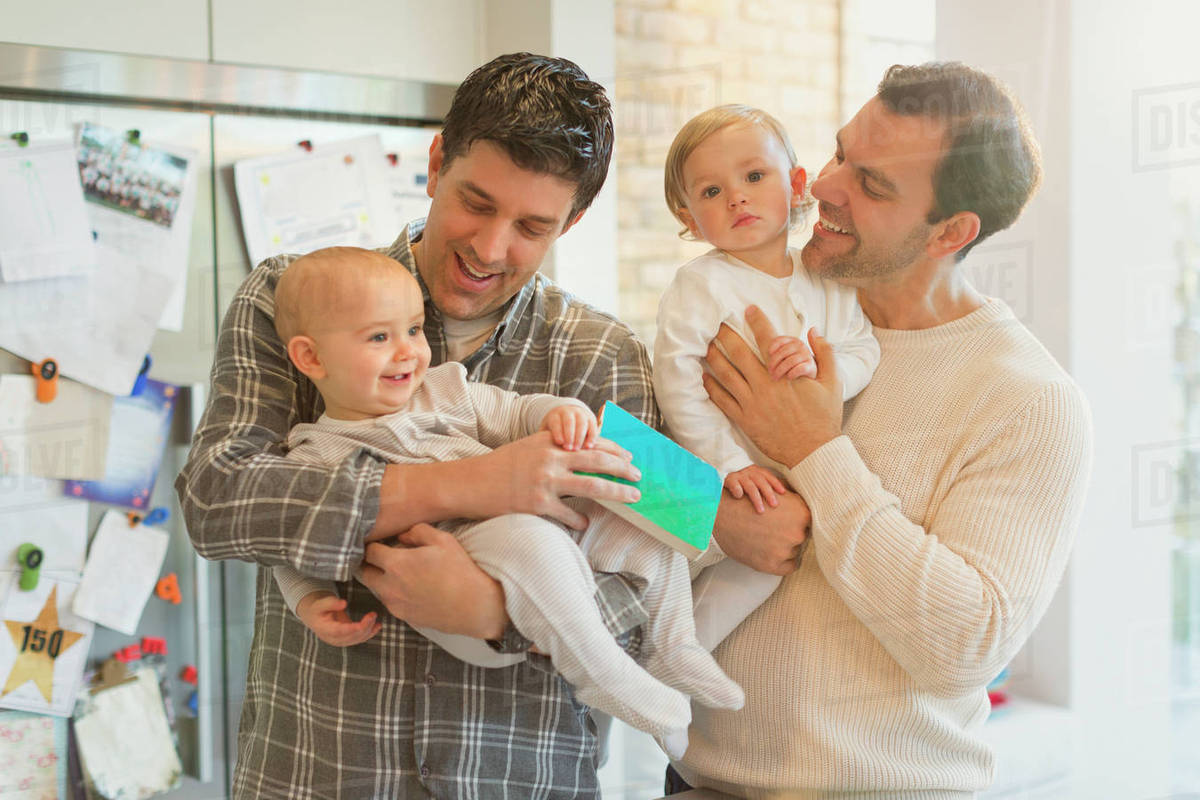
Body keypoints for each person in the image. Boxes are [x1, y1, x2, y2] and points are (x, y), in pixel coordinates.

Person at [666, 62, 1093, 798]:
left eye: (872, 184)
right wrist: (714, 518)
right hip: (699, 783)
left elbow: (965, 646)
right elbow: (633, 479)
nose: (823, 186)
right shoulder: (749, 298)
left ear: (951, 231)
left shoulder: (1027, 400)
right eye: (840, 153)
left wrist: (816, 452)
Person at [267, 246, 742, 747]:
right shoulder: (312, 453)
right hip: (450, 561)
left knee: (629, 509)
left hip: (534, 534)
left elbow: (514, 412)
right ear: (311, 357)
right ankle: (604, 676)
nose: (409, 351)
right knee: (532, 538)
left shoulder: (442, 389)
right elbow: (289, 543)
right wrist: (309, 598)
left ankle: (672, 647)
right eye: (380, 337)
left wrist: (555, 413)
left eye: (412, 330)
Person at [654, 105, 880, 651]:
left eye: (754, 177)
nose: (736, 197)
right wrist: (725, 463)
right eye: (711, 192)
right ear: (689, 219)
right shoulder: (701, 285)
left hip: (791, 483)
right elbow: (676, 379)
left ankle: (682, 661)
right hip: (721, 474)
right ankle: (643, 643)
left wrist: (824, 375)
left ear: (797, 186)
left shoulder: (825, 279)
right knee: (662, 568)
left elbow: (861, 348)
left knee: (759, 569)